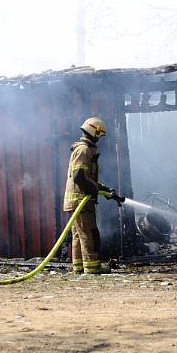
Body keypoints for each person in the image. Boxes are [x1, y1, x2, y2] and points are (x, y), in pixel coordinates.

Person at [62, 117, 120, 274]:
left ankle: (80, 268)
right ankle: (92, 269)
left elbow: (88, 179)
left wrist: (108, 192)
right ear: (95, 132)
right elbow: (79, 177)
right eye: (99, 135)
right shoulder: (84, 150)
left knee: (78, 235)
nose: (99, 139)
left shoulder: (84, 149)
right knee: (90, 233)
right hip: (80, 201)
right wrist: (93, 191)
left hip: (76, 201)